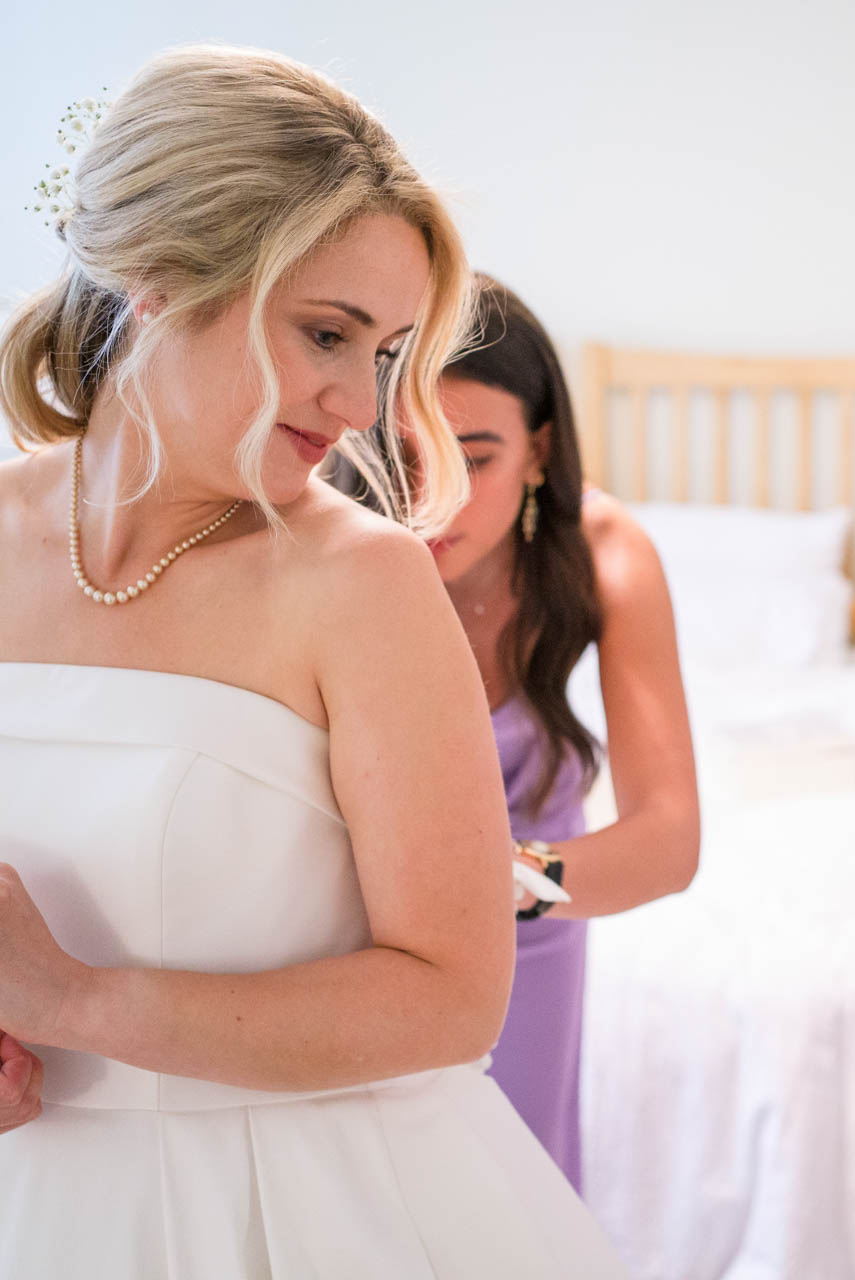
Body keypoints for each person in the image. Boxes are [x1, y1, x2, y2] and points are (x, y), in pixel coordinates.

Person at [0, 45, 626, 1277]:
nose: (363, 404)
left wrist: (79, 1001)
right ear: (156, 276)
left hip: (300, 1207)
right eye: (327, 333)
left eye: (387, 351)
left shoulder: (361, 580)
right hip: (7, 1193)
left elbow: (455, 992)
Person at [339, 276, 699, 1187]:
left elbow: (668, 842)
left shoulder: (604, 553)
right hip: (345, 953)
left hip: (529, 939)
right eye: (404, 459)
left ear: (539, 451)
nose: (434, 501)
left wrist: (482, 888)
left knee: (512, 1198)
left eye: (476, 459)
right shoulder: (324, 558)